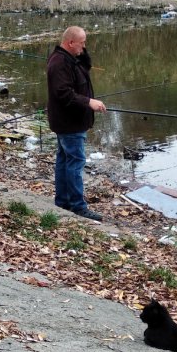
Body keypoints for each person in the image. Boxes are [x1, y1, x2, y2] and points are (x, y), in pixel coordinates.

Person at [46, 26, 107, 221]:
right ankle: (77, 206)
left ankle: (63, 201)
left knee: (65, 160)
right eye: (82, 43)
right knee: (75, 162)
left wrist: (82, 52)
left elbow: (86, 66)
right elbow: (64, 94)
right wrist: (89, 102)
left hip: (70, 123)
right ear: (70, 42)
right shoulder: (59, 63)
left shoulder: (71, 59)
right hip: (69, 123)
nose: (84, 46)